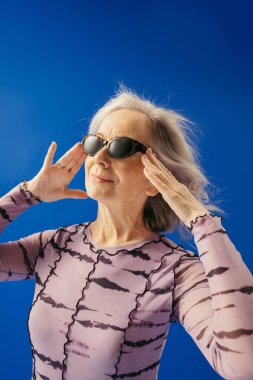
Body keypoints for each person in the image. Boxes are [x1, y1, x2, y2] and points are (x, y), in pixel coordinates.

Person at [0, 86, 253, 380]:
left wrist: (202, 222)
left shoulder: (176, 272)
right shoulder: (55, 246)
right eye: (96, 143)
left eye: (121, 147)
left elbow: (244, 365)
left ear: (156, 179)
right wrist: (28, 194)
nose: (101, 157)